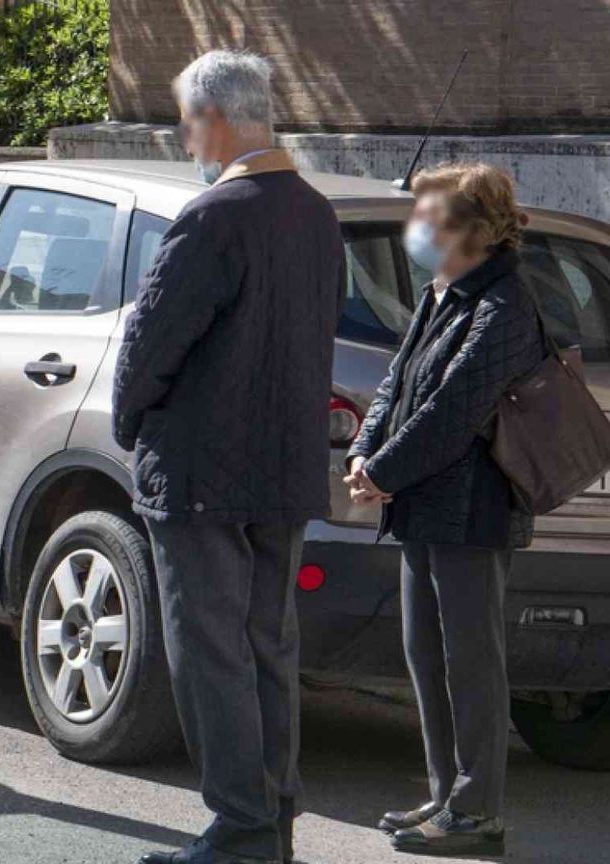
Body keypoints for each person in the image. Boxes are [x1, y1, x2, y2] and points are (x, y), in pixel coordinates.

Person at [112, 50, 345, 864]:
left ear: (216, 119)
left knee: (210, 653)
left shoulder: (214, 215)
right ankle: (270, 823)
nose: (183, 137)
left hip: (204, 468)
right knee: (266, 649)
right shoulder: (316, 212)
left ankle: (241, 827)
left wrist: (127, 419)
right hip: (283, 470)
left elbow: (150, 341)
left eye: (185, 120)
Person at [344, 162, 541, 857]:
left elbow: (453, 411)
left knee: (470, 661)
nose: (415, 229)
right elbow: (399, 380)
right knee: (426, 655)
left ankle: (477, 811)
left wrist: (385, 472)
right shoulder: (444, 293)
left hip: (471, 511)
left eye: (428, 216)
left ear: (471, 229)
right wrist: (365, 452)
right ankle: (444, 794)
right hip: (421, 503)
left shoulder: (504, 306)